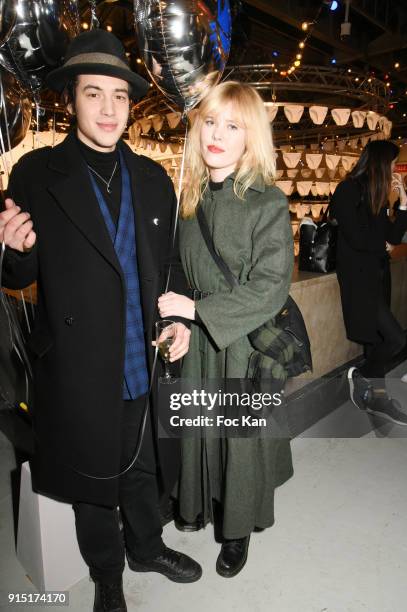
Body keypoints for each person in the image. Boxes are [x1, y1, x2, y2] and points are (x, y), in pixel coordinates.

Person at [0, 29, 201, 612]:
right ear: (71, 99)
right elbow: (19, 275)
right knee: (93, 481)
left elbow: (169, 266)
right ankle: (108, 575)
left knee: (140, 461)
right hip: (78, 357)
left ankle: (147, 545)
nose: (110, 109)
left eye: (120, 95)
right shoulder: (36, 174)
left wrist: (181, 319)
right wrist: (12, 250)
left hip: (144, 349)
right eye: (95, 94)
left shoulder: (152, 179)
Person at [158, 81, 294, 577]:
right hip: (200, 344)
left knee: (238, 441)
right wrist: (182, 319)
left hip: (240, 346)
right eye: (210, 122)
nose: (217, 135)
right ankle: (197, 505)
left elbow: (272, 288)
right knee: (201, 431)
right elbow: (181, 272)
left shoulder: (267, 201)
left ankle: (236, 531)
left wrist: (199, 314)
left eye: (232, 126)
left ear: (250, 137)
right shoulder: (189, 199)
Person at [329, 140, 407, 425]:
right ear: (378, 163)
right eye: (390, 163)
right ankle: (363, 376)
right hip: (359, 281)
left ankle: (377, 397)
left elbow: (393, 237)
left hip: (376, 276)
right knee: (396, 338)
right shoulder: (347, 190)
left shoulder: (375, 195)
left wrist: (403, 204)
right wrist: (383, 246)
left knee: (377, 343)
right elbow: (357, 237)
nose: (392, 170)